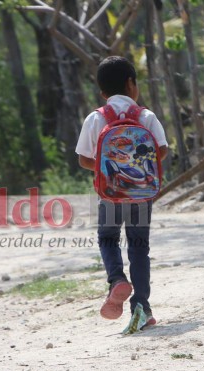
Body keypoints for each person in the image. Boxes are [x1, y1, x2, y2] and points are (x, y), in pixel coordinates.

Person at [75, 56, 168, 327]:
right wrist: (137, 166)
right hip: (141, 195)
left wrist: (107, 170)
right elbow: (161, 149)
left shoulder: (95, 118)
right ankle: (143, 309)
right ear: (132, 84)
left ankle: (116, 279)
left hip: (110, 194)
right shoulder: (146, 116)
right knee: (139, 248)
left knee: (108, 238)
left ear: (102, 92)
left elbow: (82, 158)